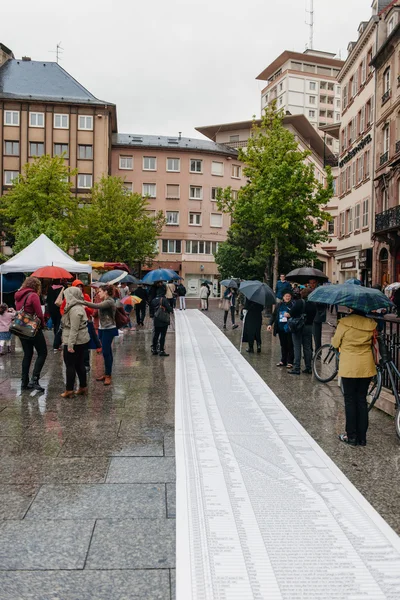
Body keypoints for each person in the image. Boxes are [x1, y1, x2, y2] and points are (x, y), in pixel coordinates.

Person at [331, 309, 377, 446]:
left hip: (349, 366)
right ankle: (362, 438)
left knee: (350, 400)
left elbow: (335, 343)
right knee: (362, 400)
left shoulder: (344, 323)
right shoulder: (371, 324)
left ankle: (351, 436)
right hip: (366, 366)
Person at [79, 284, 118, 386]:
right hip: (102, 328)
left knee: (106, 352)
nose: (98, 293)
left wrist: (83, 302)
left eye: (100, 291)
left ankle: (108, 375)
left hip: (109, 329)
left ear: (106, 291)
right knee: (107, 352)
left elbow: (97, 306)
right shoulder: (104, 301)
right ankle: (107, 373)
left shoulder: (109, 301)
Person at [15, 276, 48, 391]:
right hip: (32, 329)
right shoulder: (33, 295)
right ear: (36, 286)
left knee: (27, 354)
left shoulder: (18, 295)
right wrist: (43, 325)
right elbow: (39, 314)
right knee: (42, 352)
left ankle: (24, 382)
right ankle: (34, 380)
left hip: (20, 329)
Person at [60, 287, 90, 398]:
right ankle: (82, 387)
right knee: (79, 364)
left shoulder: (75, 310)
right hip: (81, 340)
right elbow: (58, 303)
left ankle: (69, 390)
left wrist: (70, 345)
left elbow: (74, 329)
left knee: (70, 365)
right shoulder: (76, 306)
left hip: (74, 341)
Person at [287, 288, 317, 375]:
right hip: (309, 327)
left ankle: (297, 368)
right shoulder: (313, 304)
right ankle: (308, 367)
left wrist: (287, 314)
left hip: (298, 327)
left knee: (297, 347)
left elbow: (291, 313)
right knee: (307, 347)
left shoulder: (300, 302)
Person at [267, 291, 295, 367]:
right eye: (286, 296)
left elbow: (296, 315)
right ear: (283, 297)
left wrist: (290, 315)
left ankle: (290, 361)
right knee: (283, 345)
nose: (287, 297)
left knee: (290, 344)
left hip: (289, 328)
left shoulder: (293, 305)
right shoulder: (279, 305)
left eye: (289, 296)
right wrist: (270, 324)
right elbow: (274, 315)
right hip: (280, 328)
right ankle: (283, 360)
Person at [149, 285, 173, 356]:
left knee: (156, 334)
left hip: (156, 319)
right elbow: (170, 309)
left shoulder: (154, 300)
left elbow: (151, 311)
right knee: (162, 335)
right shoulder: (164, 300)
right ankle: (161, 350)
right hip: (163, 320)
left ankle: (154, 349)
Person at [309, 278, 326, 352]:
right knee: (308, 335)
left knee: (317, 336)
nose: (312, 284)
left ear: (316, 282)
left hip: (317, 316)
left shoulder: (321, 291)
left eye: (313, 283)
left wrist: (315, 302)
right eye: (310, 283)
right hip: (309, 316)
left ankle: (318, 352)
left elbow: (324, 303)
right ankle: (309, 351)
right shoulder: (308, 291)